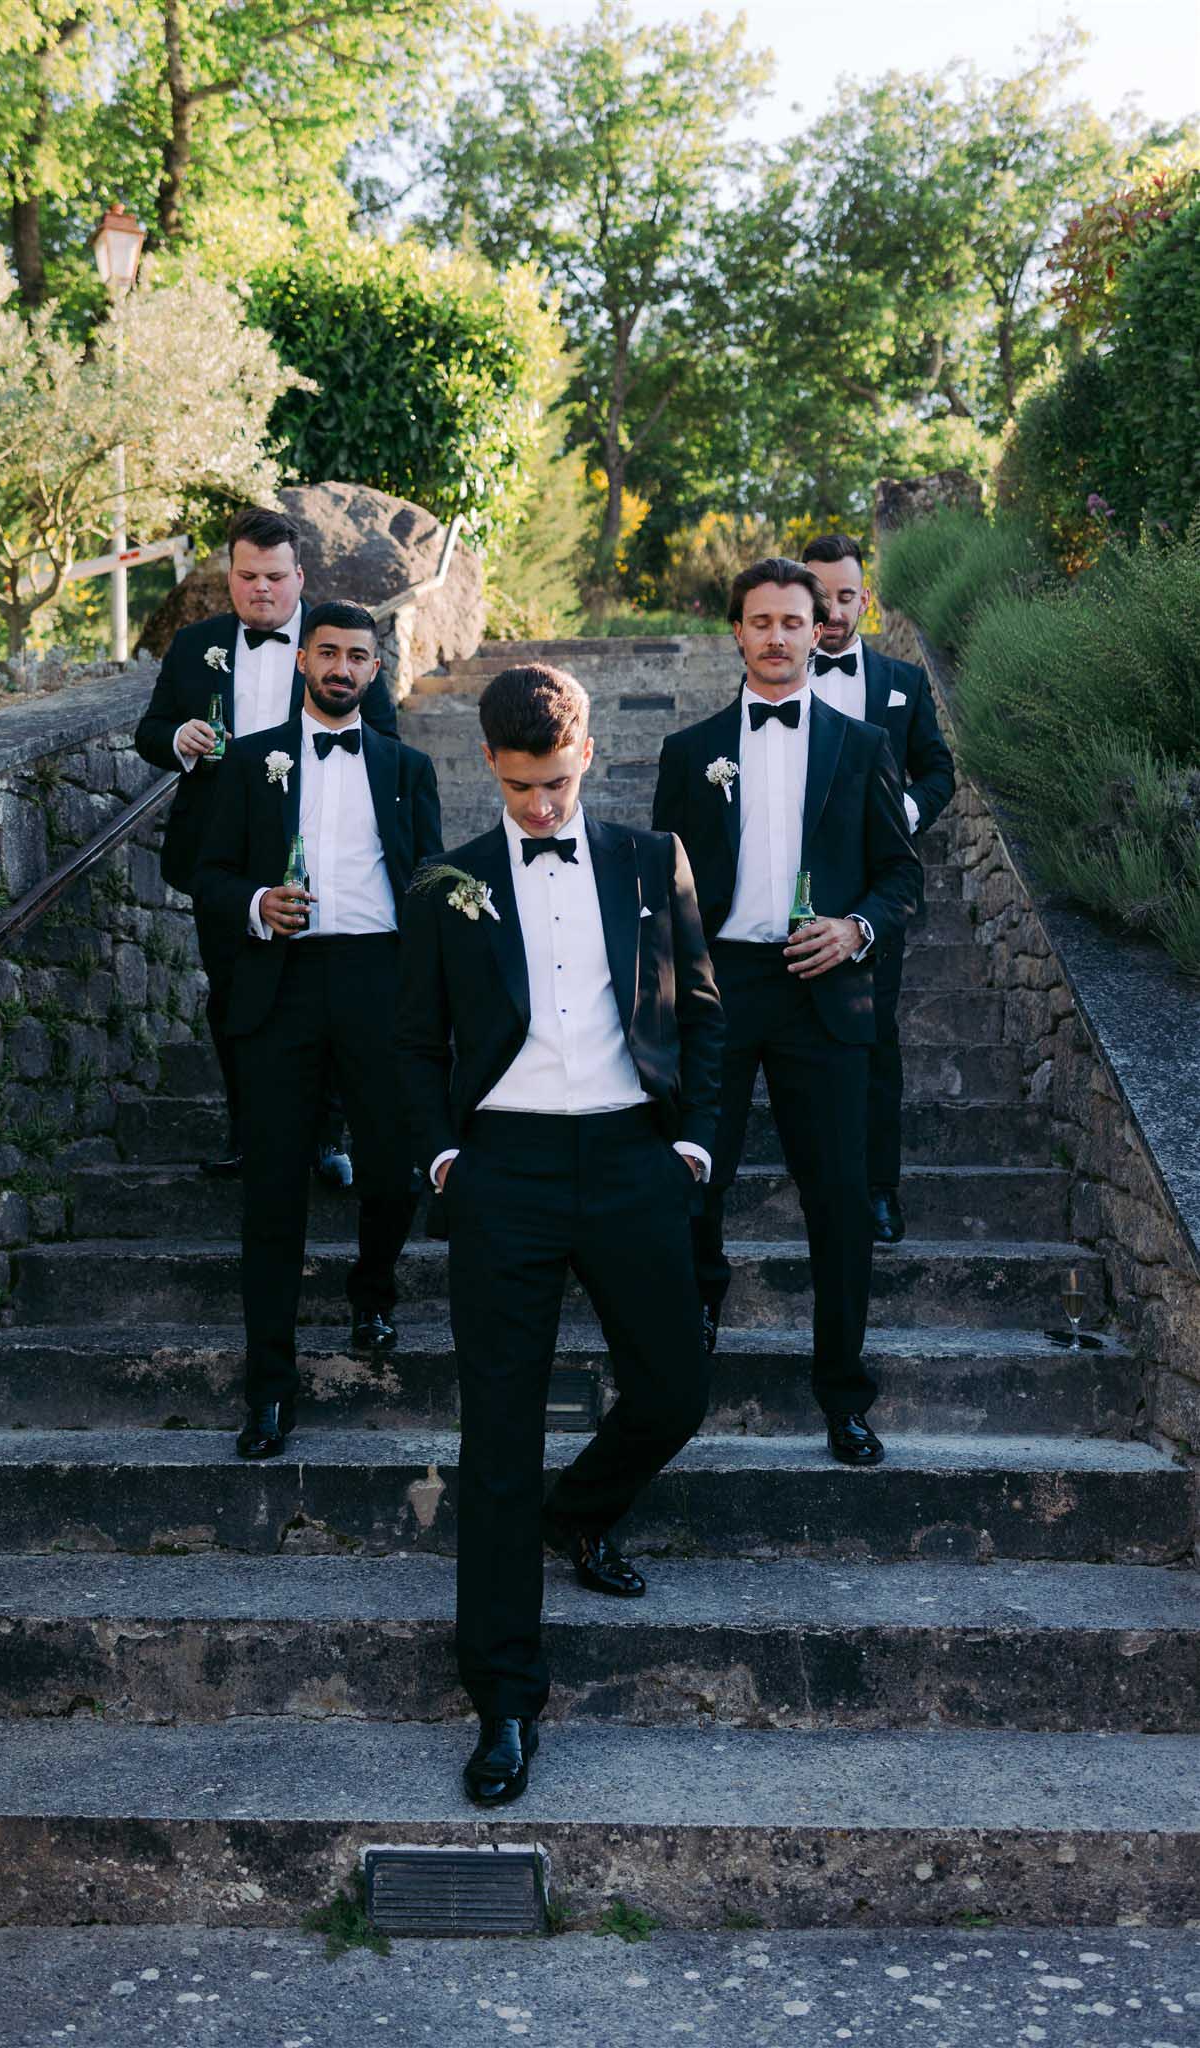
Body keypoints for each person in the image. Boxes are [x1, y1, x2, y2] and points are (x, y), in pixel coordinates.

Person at [395, 662, 724, 1808]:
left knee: (677, 1387)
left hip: (634, 1157)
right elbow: (407, 1040)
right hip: (509, 1171)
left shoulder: (649, 858)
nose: (543, 806)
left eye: (560, 782)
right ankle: (503, 1703)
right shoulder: (448, 882)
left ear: (590, 754)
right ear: (488, 760)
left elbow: (705, 1008)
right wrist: (445, 1158)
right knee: (496, 1440)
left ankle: (575, 1513)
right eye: (524, 786)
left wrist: (692, 1145)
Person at [652, 559, 921, 1469]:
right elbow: (660, 887)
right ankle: (689, 1347)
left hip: (824, 993)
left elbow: (901, 879)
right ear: (736, 632)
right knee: (694, 1182)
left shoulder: (863, 745)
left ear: (819, 632)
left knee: (840, 1203)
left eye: (791, 622)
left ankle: (842, 1396)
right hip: (720, 988)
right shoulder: (689, 753)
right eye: (758, 621)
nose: (774, 636)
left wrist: (856, 930)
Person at [194, 600, 442, 1461]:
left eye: (358, 657)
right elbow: (208, 874)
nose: (342, 668)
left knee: (393, 1171)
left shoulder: (410, 767)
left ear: (376, 671)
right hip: (280, 986)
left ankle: (371, 1284)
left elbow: (430, 889)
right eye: (328, 653)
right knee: (271, 1194)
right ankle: (268, 1390)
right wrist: (258, 904)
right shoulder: (251, 761)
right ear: (303, 660)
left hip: (379, 982)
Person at [134, 505, 397, 1180]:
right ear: (230, 575)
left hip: (314, 851)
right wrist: (176, 740)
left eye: (274, 577)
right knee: (232, 997)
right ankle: (249, 1134)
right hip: (218, 858)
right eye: (247, 575)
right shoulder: (196, 645)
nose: (260, 589)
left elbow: (387, 742)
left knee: (323, 993)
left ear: (298, 575)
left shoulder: (338, 642)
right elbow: (149, 730)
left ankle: (327, 1139)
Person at [800, 533, 955, 1245]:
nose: (831, 610)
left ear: (866, 600)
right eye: (819, 595)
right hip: (795, 889)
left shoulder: (904, 682)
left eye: (843, 595)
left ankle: (878, 1189)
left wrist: (901, 817)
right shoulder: (772, 681)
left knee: (874, 1040)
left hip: (877, 891)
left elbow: (937, 772)